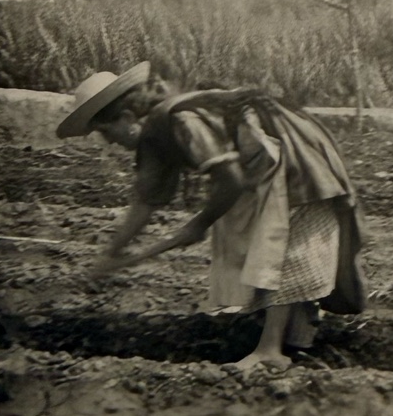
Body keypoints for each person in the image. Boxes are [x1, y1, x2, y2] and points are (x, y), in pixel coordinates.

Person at [56, 61, 367, 369]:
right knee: (263, 243)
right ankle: (294, 340)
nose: (108, 141)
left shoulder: (180, 120)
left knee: (280, 248)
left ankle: (270, 351)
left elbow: (232, 179)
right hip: (272, 166)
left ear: (126, 117)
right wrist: (112, 252)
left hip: (297, 161)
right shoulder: (158, 133)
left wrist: (200, 223)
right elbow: (145, 201)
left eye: (105, 131)